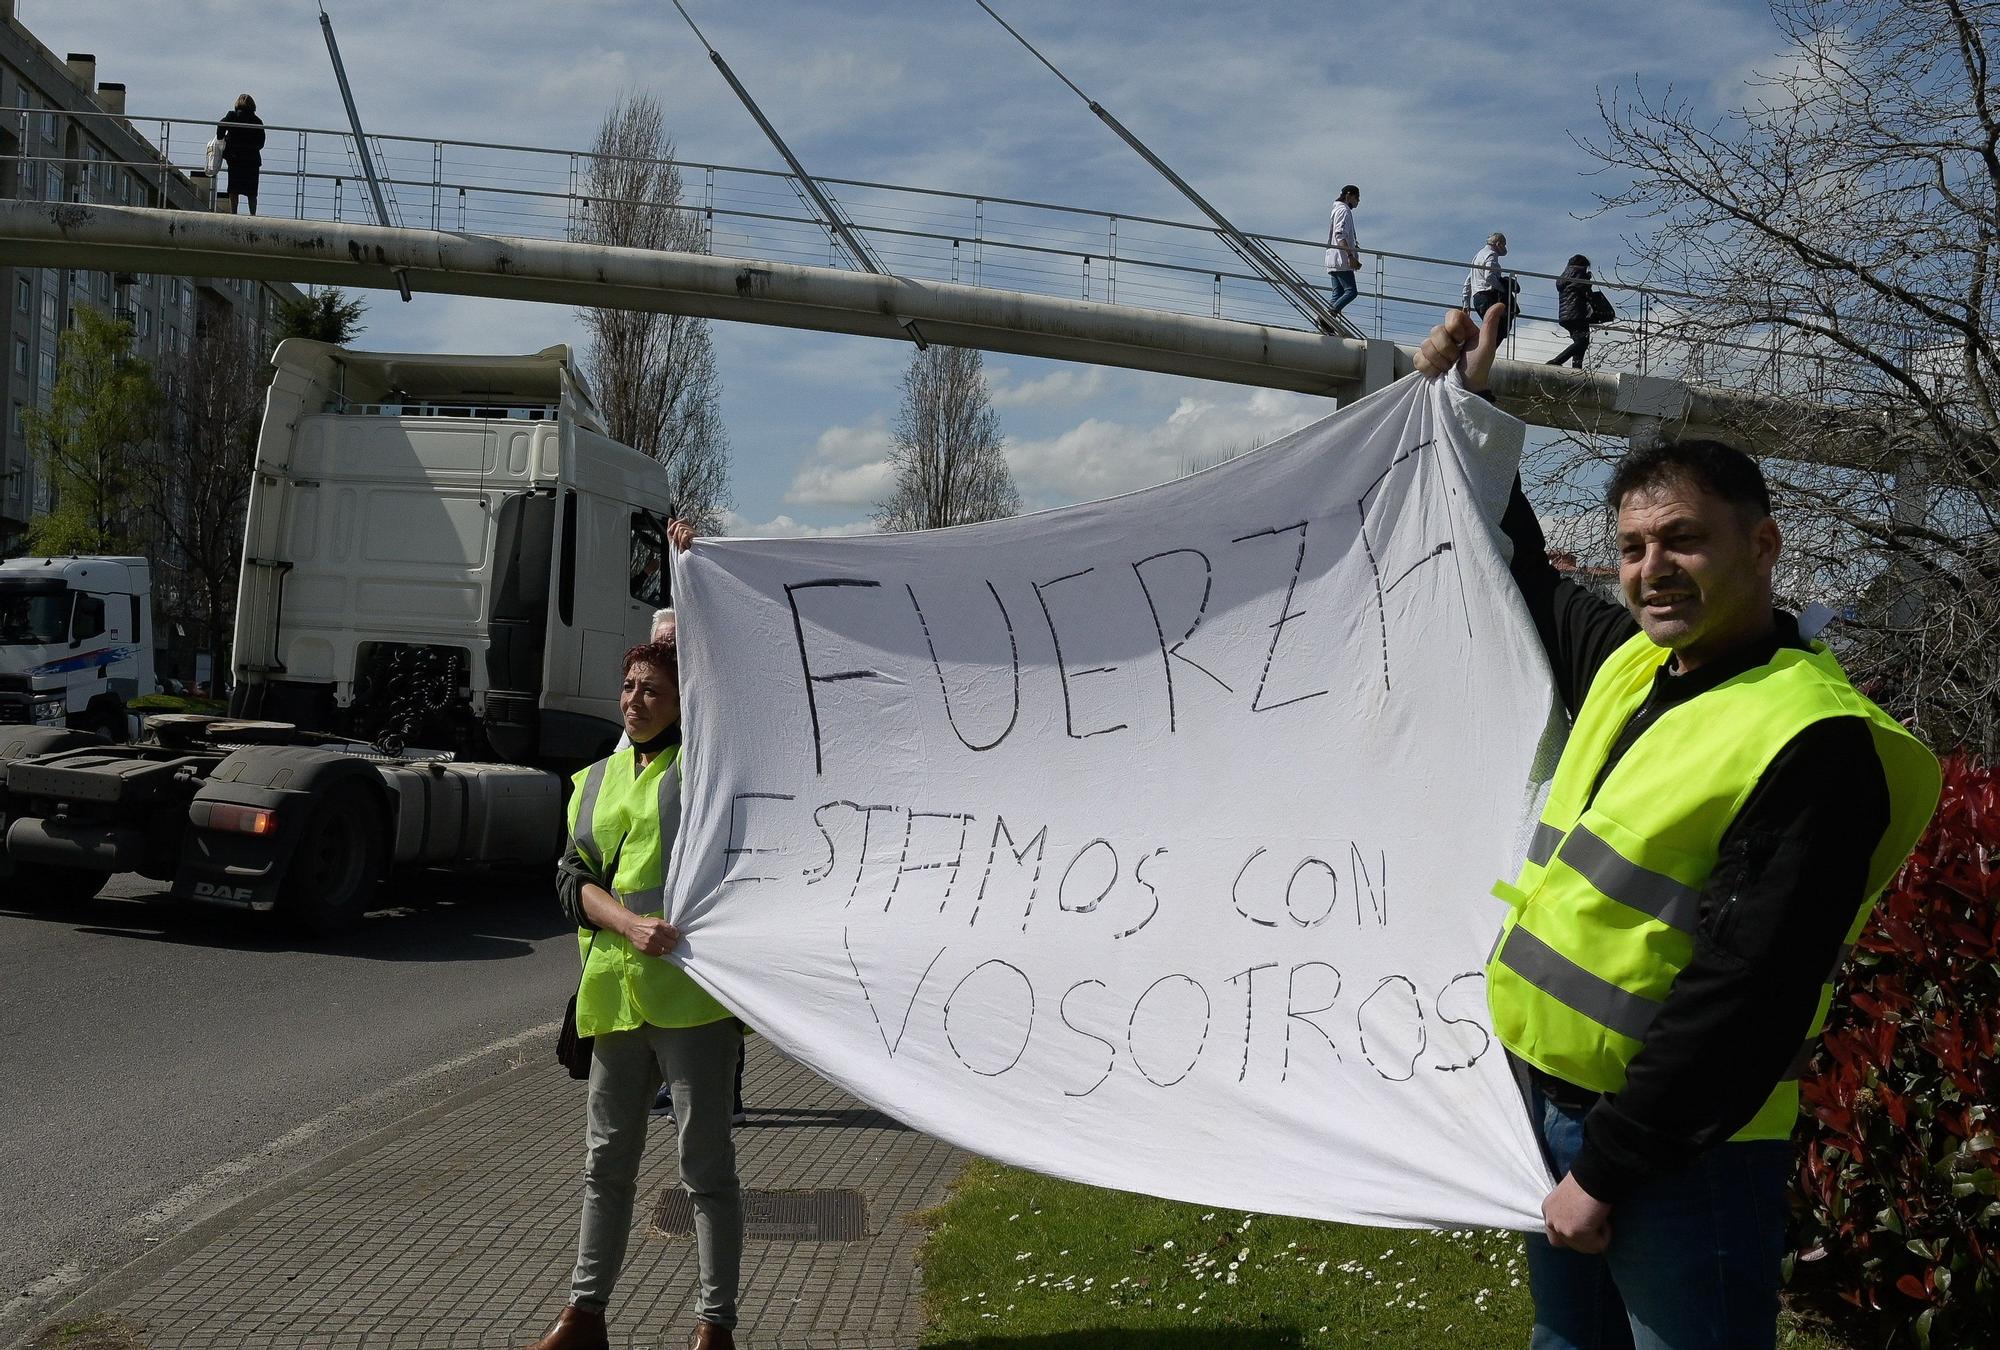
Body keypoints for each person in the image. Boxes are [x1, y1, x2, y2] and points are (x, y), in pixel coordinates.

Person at [1414, 310, 1941, 1350]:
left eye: (1682, 540)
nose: (1652, 566)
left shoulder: (1811, 743)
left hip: (1679, 1153)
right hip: (1553, 1109)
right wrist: (1466, 410)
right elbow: (1517, 569)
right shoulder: (1630, 665)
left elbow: (1746, 991)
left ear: (1762, 545)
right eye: (1632, 548)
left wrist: (1605, 1168)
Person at [531, 637, 742, 1350]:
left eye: (652, 689)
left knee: (705, 1170)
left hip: (692, 1000)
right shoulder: (591, 778)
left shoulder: (707, 769)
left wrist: (692, 568)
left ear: (684, 701)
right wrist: (623, 920)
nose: (635, 700)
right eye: (628, 686)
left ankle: (715, 1328)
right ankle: (584, 1316)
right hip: (614, 995)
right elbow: (570, 879)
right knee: (605, 1165)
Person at [216, 94, 264, 215]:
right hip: (251, 161)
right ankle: (252, 214)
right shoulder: (257, 121)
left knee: (233, 189)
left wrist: (224, 138)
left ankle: (234, 213)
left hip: (235, 158)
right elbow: (261, 143)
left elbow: (220, 128)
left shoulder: (232, 116)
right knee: (251, 192)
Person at [1547, 255, 1594, 369]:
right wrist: (1588, 280)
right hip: (1577, 314)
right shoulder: (1579, 273)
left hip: (1565, 316)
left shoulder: (1565, 275)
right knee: (1582, 342)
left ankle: (1577, 368)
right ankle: (1556, 361)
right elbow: (1584, 291)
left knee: (1580, 342)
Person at [1463, 232, 1512, 339]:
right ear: (1498, 244)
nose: (1505, 248)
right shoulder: (1491, 254)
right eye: (1504, 244)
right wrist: (1502, 288)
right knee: (1500, 329)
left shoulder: (1478, 255)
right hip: (1487, 296)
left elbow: (1468, 282)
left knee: (1492, 329)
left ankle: (1484, 351)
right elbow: (1489, 276)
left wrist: (1466, 303)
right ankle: (1484, 352)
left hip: (1477, 298)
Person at [1324, 184, 1362, 320]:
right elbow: (1340, 234)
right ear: (1349, 195)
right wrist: (1350, 256)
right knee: (1351, 292)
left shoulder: (1337, 210)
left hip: (1333, 259)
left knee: (1338, 294)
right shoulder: (1344, 211)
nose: (1358, 201)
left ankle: (1327, 323)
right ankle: (1326, 317)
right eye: (1357, 197)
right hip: (1341, 259)